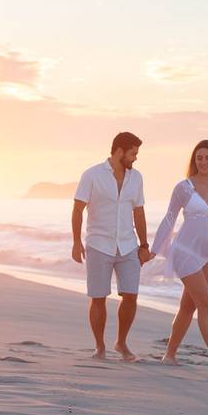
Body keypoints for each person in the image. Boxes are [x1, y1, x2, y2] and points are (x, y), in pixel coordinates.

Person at [150, 139, 208, 375]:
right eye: (199, 158)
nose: (203, 162)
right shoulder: (184, 187)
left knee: (187, 306)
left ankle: (169, 355)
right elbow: (170, 218)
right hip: (185, 253)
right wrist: (154, 249)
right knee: (205, 304)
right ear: (194, 161)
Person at [71, 132, 152, 361]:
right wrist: (76, 242)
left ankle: (121, 343)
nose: (135, 158)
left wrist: (144, 245)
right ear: (119, 151)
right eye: (133, 153)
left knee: (131, 295)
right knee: (98, 297)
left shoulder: (136, 178)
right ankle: (100, 346)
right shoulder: (92, 175)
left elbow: (139, 211)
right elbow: (78, 209)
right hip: (99, 244)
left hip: (128, 245)